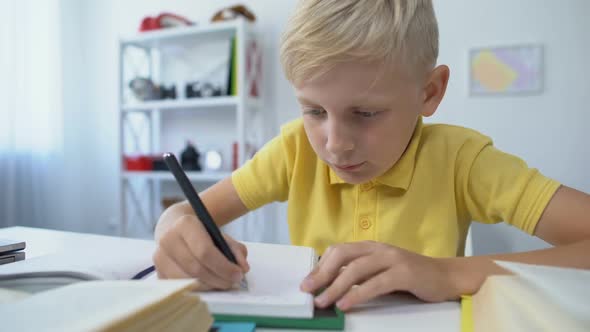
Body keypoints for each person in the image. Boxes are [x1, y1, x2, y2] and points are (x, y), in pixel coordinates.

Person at [153, 0, 590, 311]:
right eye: (314, 110)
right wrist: (173, 229)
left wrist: (448, 273)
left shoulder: (462, 159)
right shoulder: (293, 150)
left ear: (429, 91)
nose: (335, 143)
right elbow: (186, 216)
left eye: (365, 113)